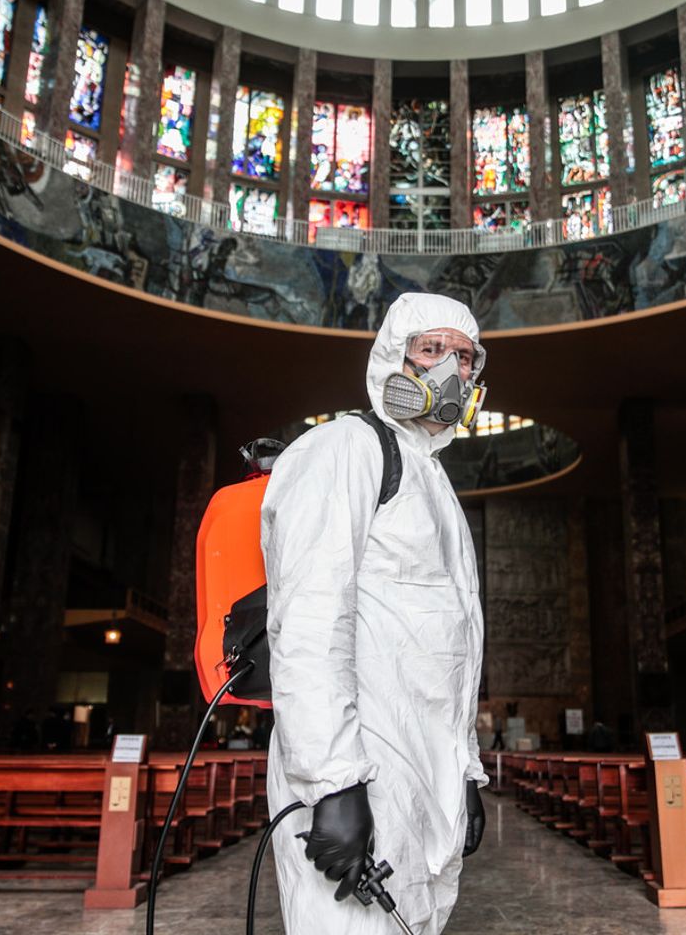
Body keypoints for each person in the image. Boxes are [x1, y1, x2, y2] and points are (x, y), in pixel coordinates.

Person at [263, 293, 489, 935]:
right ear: (394, 357)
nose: (451, 369)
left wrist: (465, 772)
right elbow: (307, 624)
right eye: (431, 350)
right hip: (357, 769)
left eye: (465, 356)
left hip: (425, 773)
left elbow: (451, 652)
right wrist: (333, 786)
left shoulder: (434, 482)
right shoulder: (345, 449)